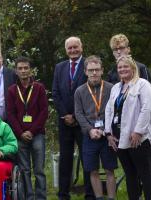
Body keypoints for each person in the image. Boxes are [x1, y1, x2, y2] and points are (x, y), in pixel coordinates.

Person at [52, 36, 94, 200]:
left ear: (81, 47)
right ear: (66, 50)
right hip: (64, 122)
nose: (73, 50)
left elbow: (91, 93)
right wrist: (65, 115)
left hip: (84, 122)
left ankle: (90, 193)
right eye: (69, 48)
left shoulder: (89, 66)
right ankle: (63, 193)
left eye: (75, 47)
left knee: (87, 158)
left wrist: (77, 116)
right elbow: (55, 93)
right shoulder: (59, 67)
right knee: (65, 158)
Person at [104, 55, 151, 200]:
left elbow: (147, 109)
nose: (122, 69)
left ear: (133, 68)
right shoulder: (116, 88)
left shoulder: (142, 84)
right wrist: (108, 133)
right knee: (130, 174)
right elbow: (109, 110)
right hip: (119, 139)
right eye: (120, 67)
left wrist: (138, 131)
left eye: (126, 66)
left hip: (138, 139)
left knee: (145, 174)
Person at [74, 56, 118, 200]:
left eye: (97, 70)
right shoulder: (79, 91)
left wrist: (106, 129)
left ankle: (111, 198)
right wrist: (90, 130)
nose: (94, 73)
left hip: (108, 136)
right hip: (89, 136)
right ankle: (98, 197)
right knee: (92, 170)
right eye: (91, 70)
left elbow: (115, 110)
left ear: (102, 71)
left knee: (109, 169)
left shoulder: (112, 88)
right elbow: (79, 113)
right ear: (85, 72)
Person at [7, 57, 48, 200]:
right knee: (24, 170)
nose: (23, 71)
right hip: (20, 136)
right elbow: (10, 114)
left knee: (39, 170)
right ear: (16, 71)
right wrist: (20, 133)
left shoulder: (39, 88)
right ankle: (29, 197)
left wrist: (32, 131)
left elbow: (44, 112)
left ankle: (41, 197)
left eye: (26, 68)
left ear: (30, 70)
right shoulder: (12, 90)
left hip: (37, 134)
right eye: (20, 68)